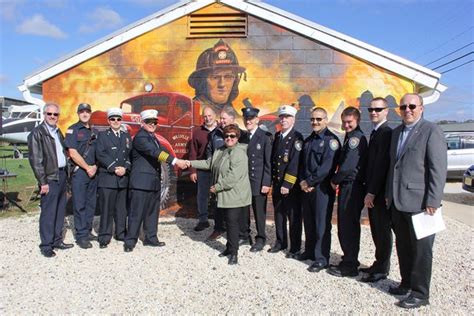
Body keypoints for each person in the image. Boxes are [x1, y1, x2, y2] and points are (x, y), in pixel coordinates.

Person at [386, 93, 446, 309]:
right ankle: (406, 283)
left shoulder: (431, 131)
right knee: (403, 246)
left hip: (421, 203)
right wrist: (388, 195)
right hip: (398, 201)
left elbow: (437, 169)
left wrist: (433, 199)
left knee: (422, 250)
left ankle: (421, 294)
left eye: (412, 106)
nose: (407, 110)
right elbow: (394, 167)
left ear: (421, 108)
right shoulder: (396, 133)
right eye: (403, 107)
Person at [124, 109, 187, 252]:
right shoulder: (140, 137)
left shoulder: (153, 137)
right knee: (136, 213)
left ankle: (151, 238)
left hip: (153, 182)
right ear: (142, 123)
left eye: (154, 122)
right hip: (140, 183)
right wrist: (176, 161)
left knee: (152, 213)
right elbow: (156, 153)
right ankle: (130, 241)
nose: (152, 124)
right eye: (149, 122)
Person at [188, 124, 251, 265]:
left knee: (232, 224)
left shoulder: (239, 153)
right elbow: (209, 163)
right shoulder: (220, 150)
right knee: (228, 223)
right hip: (223, 195)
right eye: (226, 136)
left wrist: (217, 187)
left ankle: (234, 253)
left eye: (232, 136)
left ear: (237, 137)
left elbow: (233, 177)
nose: (229, 138)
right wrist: (188, 163)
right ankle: (229, 249)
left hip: (235, 195)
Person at [28, 103, 73, 257]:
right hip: (49, 178)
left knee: (60, 210)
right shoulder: (37, 133)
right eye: (50, 114)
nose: (53, 117)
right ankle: (46, 245)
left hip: (61, 175)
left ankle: (57, 240)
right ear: (44, 114)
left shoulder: (57, 132)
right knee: (48, 212)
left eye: (55, 114)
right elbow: (36, 160)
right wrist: (43, 182)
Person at [327, 106, 368, 278]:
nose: (346, 125)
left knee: (348, 226)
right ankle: (349, 259)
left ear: (357, 120)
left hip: (352, 186)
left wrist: (333, 180)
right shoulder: (350, 137)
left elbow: (347, 167)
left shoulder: (355, 139)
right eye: (344, 122)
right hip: (349, 186)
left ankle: (350, 265)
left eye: (349, 122)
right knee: (345, 225)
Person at [298, 107, 340, 272]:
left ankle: (322, 258)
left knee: (321, 224)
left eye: (319, 119)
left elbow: (326, 168)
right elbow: (302, 164)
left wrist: (309, 182)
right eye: (312, 119)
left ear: (326, 120)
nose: (315, 122)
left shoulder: (332, 141)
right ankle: (309, 251)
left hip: (321, 189)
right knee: (308, 222)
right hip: (306, 188)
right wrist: (302, 181)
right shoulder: (309, 140)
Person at [360, 97, 393, 283]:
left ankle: (382, 268)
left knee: (382, 230)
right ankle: (378, 262)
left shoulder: (386, 132)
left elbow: (381, 166)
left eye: (378, 109)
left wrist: (371, 191)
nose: (374, 112)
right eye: (371, 109)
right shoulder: (376, 132)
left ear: (386, 111)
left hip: (379, 194)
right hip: (373, 191)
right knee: (376, 229)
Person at [205, 105, 248, 241]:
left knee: (237, 211)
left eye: (224, 118)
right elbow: (209, 152)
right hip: (218, 175)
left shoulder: (242, 135)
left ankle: (242, 235)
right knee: (218, 206)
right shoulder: (215, 134)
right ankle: (218, 229)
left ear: (232, 118)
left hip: (235, 180)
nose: (222, 121)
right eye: (221, 118)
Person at [268, 105, 304, 258]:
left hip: (290, 186)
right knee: (279, 214)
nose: (283, 120)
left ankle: (295, 247)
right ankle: (281, 242)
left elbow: (294, 162)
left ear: (293, 120)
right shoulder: (277, 136)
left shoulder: (297, 138)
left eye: (287, 117)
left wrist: (287, 184)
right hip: (277, 183)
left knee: (293, 217)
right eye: (282, 117)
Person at [95, 108, 132, 249]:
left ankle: (121, 233)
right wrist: (114, 168)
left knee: (121, 209)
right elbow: (101, 154)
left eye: (118, 119)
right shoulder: (102, 135)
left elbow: (130, 154)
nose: (116, 121)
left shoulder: (126, 135)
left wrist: (125, 168)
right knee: (106, 209)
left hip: (122, 178)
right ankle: (104, 236)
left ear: (121, 120)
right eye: (113, 119)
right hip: (108, 177)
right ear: (108, 121)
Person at [65, 103, 98, 249]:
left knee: (91, 204)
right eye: (82, 112)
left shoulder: (94, 131)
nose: (85, 114)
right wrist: (87, 168)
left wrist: (95, 166)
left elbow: (99, 151)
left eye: (87, 112)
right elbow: (72, 152)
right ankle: (81, 236)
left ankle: (88, 230)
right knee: (80, 205)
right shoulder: (73, 130)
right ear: (78, 114)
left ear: (90, 114)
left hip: (93, 172)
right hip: (80, 172)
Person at [241, 106, 273, 252]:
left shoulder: (265, 137)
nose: (248, 121)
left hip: (258, 181)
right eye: (246, 118)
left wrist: (266, 182)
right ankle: (245, 235)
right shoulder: (242, 137)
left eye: (251, 118)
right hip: (244, 181)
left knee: (259, 212)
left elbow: (268, 162)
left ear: (257, 120)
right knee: (244, 210)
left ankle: (260, 238)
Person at [188, 39, 246, 115]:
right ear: (202, 82)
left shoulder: (230, 112)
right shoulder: (192, 112)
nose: (222, 84)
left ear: (235, 81)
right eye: (215, 77)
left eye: (228, 77)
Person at [188, 106, 218, 231]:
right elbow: (193, 153)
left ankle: (220, 222)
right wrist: (193, 171)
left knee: (219, 195)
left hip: (218, 169)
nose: (207, 118)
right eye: (205, 116)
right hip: (203, 169)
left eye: (210, 115)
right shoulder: (197, 132)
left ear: (215, 115)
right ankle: (203, 220)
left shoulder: (222, 130)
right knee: (202, 195)